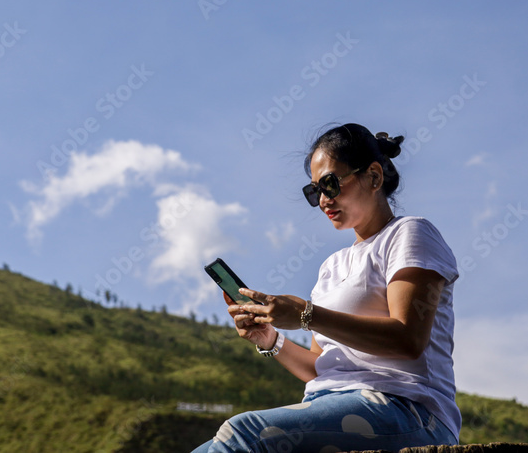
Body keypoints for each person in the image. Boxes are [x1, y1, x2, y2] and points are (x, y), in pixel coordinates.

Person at [192, 123, 460, 453]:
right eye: (313, 191)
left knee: (243, 433)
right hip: (334, 407)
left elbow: (408, 339)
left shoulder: (409, 234)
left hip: (409, 412)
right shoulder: (331, 267)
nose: (322, 200)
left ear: (374, 177)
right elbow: (321, 368)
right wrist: (271, 340)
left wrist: (307, 315)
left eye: (330, 184)